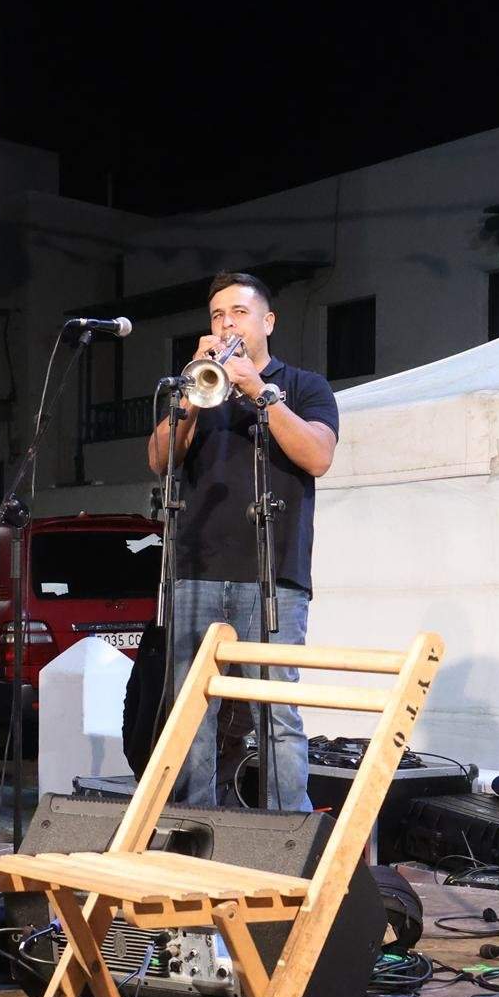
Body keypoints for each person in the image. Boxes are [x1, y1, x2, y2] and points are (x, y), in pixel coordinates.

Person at [147, 272, 339, 810]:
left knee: (275, 711)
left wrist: (259, 390)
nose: (226, 324)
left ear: (267, 322)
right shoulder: (194, 388)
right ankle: (191, 832)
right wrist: (189, 394)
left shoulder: (304, 387)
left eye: (238, 312)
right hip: (196, 568)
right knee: (192, 711)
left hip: (273, 574)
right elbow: (160, 460)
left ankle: (286, 836)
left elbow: (318, 456)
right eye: (216, 316)